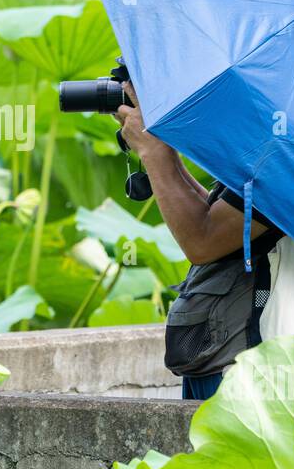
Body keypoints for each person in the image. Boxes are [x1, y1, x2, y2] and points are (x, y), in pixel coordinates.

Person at [114, 81, 283, 400]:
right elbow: (220, 223)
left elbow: (202, 242)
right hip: (224, 349)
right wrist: (165, 149)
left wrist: (153, 151)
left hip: (243, 364)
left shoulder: (293, 151)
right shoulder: (284, 139)